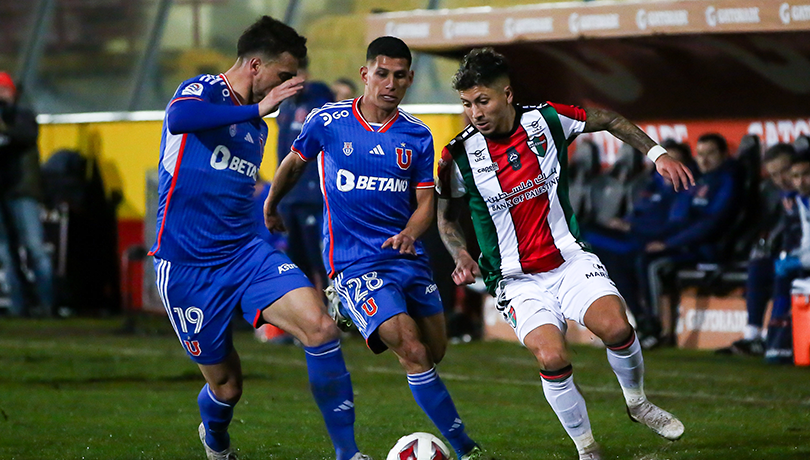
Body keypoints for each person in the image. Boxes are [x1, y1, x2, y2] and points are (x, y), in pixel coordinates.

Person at [435, 48, 690, 460]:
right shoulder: (458, 155)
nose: (474, 113)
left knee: (618, 329)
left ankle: (638, 403)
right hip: (515, 279)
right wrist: (460, 254)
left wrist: (657, 155)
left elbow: (609, 119)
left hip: (569, 258)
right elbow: (446, 218)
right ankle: (587, 448)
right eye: (466, 104)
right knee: (552, 355)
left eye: (482, 101)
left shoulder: (546, 119)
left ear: (507, 94)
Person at [148, 16, 366, 460]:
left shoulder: (258, 128)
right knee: (227, 386)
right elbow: (179, 117)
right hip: (186, 265)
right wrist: (255, 109)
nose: (288, 87)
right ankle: (216, 441)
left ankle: (349, 453)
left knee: (321, 327)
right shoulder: (204, 90)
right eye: (283, 76)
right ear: (254, 66)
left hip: (244, 254)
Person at [265, 36, 482, 460]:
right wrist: (272, 204)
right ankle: (467, 449)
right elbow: (293, 163)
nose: (390, 83)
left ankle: (350, 312)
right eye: (382, 73)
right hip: (355, 262)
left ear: (410, 79)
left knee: (434, 350)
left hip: (407, 257)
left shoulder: (417, 136)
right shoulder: (328, 121)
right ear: (366, 74)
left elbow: (425, 204)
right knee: (414, 352)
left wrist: (410, 235)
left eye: (400, 76)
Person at [718, 143, 796, 356]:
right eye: (774, 174)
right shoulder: (772, 190)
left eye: (784, 171)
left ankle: (774, 337)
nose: (781, 179)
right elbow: (768, 222)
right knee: (759, 263)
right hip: (788, 252)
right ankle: (753, 334)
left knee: (783, 272)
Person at [276, 58, 334, 294]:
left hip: (313, 199)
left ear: (305, 74)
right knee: (297, 264)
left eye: (295, 73)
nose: (290, 79)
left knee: (320, 262)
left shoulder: (319, 104)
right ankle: (309, 321)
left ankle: (335, 313)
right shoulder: (286, 107)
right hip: (289, 199)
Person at [0, 71, 53, 318]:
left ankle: (46, 304)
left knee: (34, 248)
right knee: (5, 253)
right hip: (5, 191)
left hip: (23, 191)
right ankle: (18, 306)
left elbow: (24, 136)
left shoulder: (22, 115)